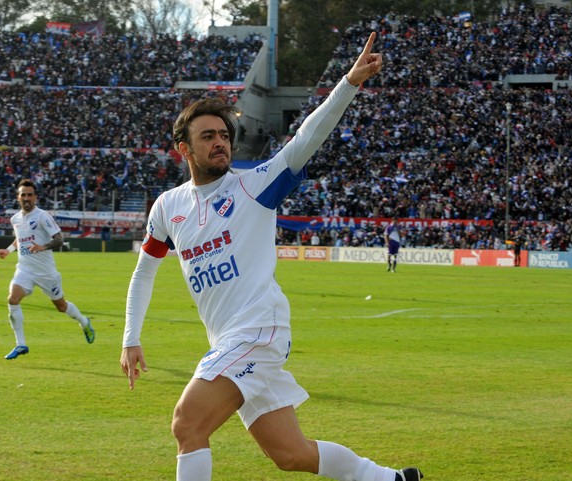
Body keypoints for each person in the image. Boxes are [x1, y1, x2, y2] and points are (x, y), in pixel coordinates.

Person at [120, 33, 423, 481]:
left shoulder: (253, 186)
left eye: (224, 135)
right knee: (291, 454)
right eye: (208, 137)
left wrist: (349, 83)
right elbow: (144, 272)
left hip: (258, 330)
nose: (220, 142)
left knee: (188, 423)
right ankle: (391, 479)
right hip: (228, 340)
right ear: (184, 149)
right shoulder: (167, 206)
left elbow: (307, 137)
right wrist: (130, 336)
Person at [0, 179, 95, 360]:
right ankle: (21, 344)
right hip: (24, 269)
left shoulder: (42, 216)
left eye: (30, 194)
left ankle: (84, 322)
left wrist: (42, 247)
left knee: (61, 306)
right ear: (18, 197)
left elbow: (59, 239)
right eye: (23, 194)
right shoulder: (15, 219)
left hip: (46, 272)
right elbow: (20, 239)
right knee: (12, 299)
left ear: (35, 197)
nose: (26, 198)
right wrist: (8, 251)